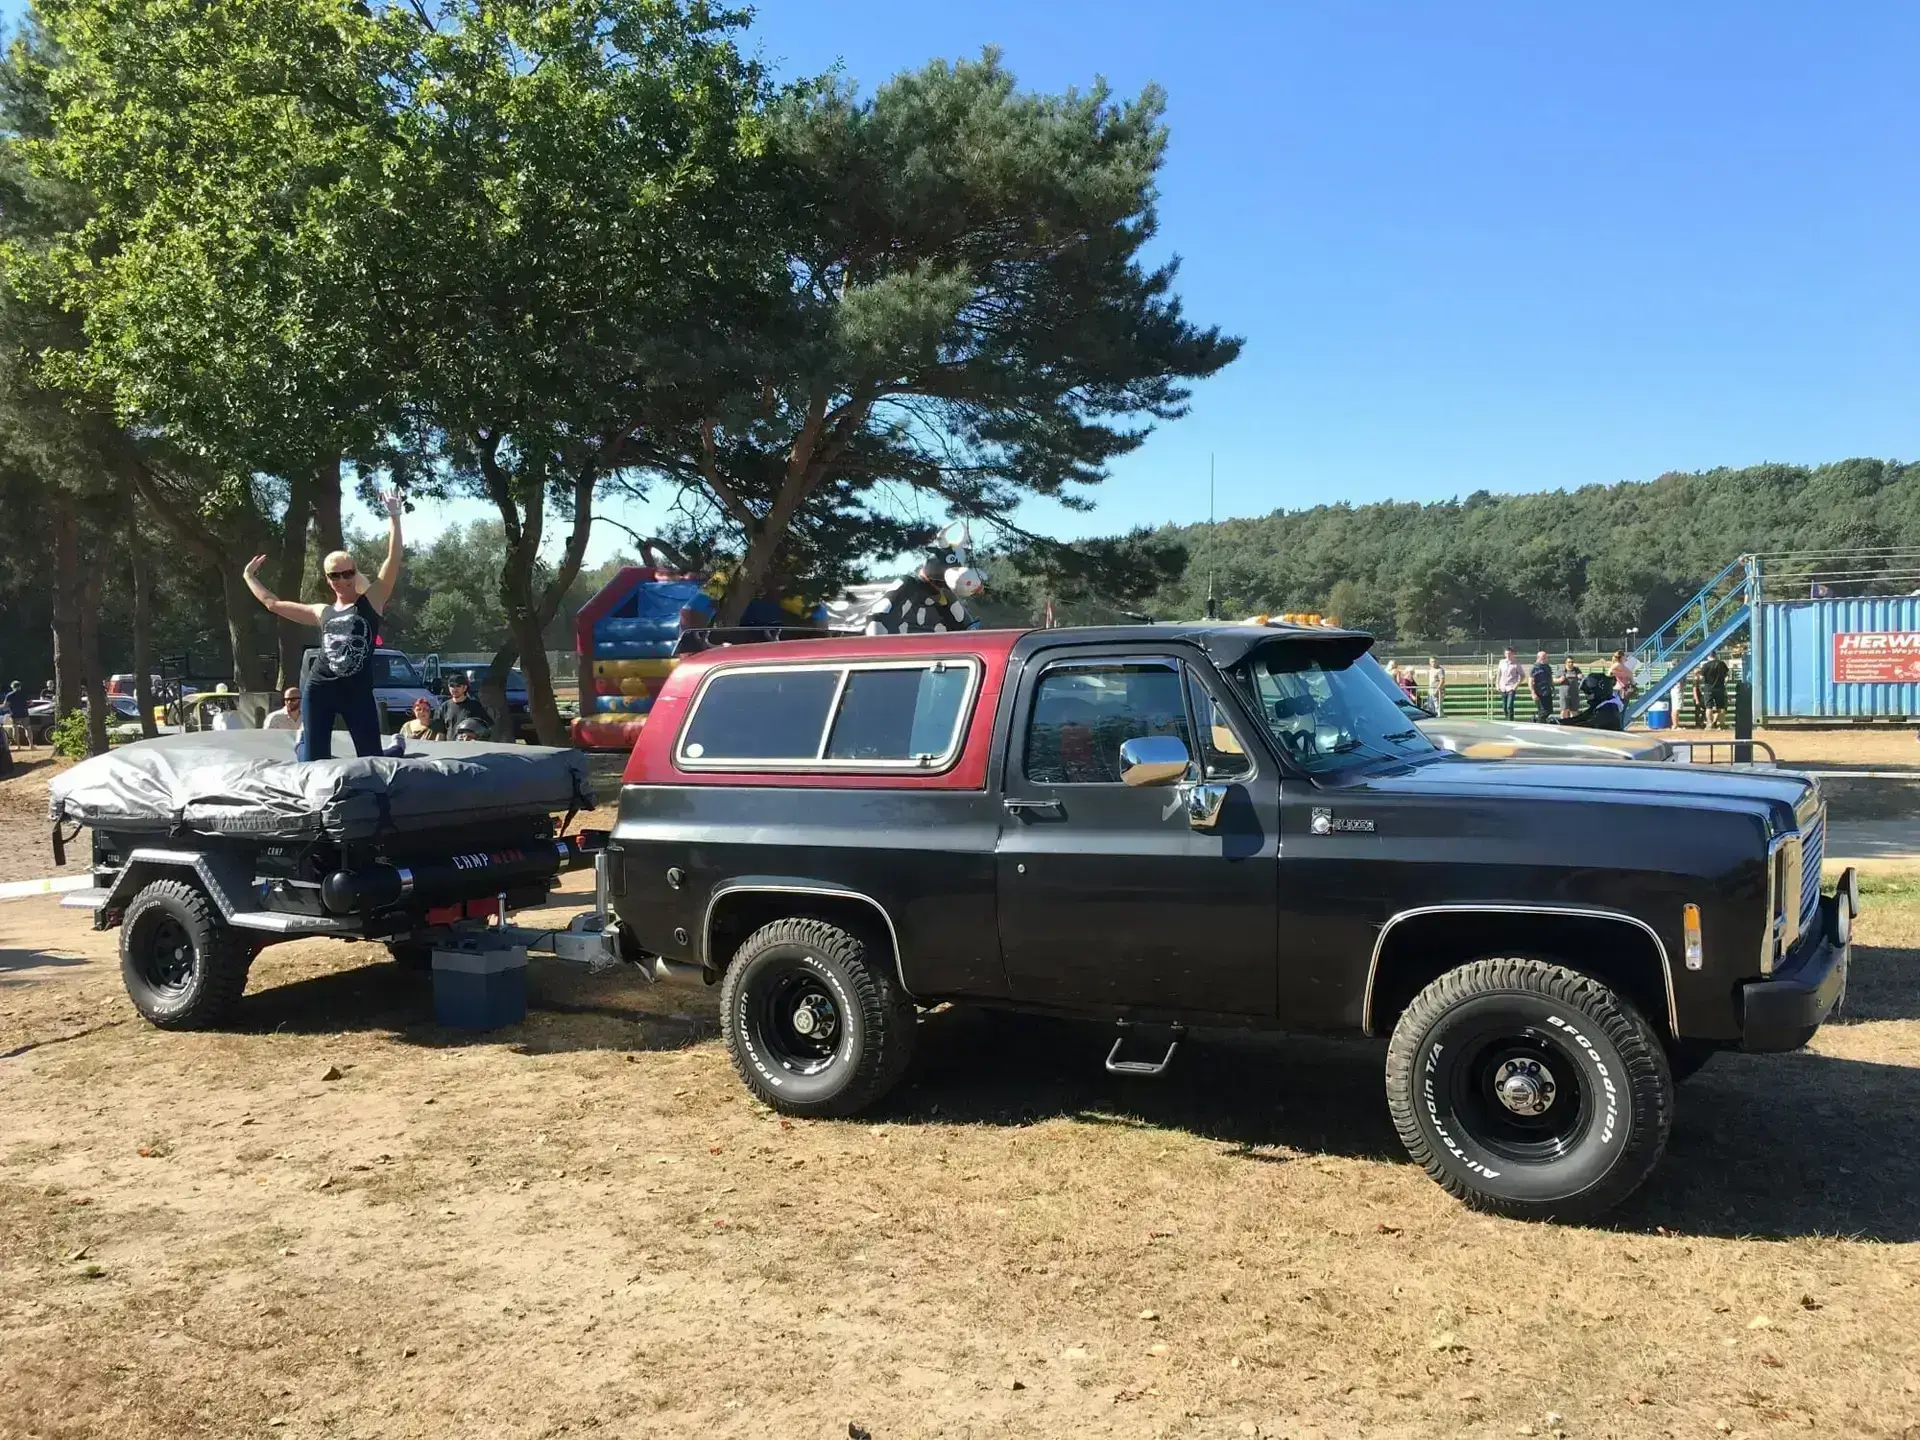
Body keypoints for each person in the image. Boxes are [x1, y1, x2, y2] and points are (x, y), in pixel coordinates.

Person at [242, 492, 403, 761]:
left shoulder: (372, 600)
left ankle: (397, 747)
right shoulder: (321, 611)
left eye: (348, 573)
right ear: (328, 579)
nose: (342, 580)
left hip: (357, 692)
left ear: (355, 572)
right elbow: (273, 604)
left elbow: (393, 558)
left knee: (372, 759)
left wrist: (394, 516)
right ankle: (302, 743)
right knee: (313, 762)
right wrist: (249, 577)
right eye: (335, 576)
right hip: (321, 688)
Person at [431, 672, 493, 740]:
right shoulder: (444, 707)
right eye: (452, 686)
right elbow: (441, 733)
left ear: (464, 688)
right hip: (449, 745)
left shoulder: (475, 706)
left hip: (468, 745)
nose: (455, 689)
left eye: (458, 686)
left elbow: (486, 728)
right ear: (448, 687)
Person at [1697, 651, 1731, 729]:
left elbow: (1701, 678)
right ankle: (1721, 724)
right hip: (1720, 688)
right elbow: (1727, 675)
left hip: (1708, 688)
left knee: (1709, 707)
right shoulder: (1721, 664)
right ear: (1715, 655)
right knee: (1721, 707)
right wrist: (1725, 681)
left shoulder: (1705, 665)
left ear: (1708, 656)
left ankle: (1710, 724)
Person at [1495, 648, 1523, 721]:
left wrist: (1516, 685)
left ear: (1513, 654)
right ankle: (1507, 720)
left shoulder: (1516, 664)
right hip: (1503, 687)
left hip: (1511, 687)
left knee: (1509, 706)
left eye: (1509, 654)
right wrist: (1497, 684)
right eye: (1506, 653)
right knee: (1504, 707)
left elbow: (1523, 676)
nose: (1508, 655)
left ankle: (1511, 721)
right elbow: (1499, 674)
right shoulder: (1501, 662)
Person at [1528, 650, 1554, 723]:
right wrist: (1533, 693)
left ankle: (1540, 722)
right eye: (1544, 657)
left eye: (1546, 657)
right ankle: (1539, 723)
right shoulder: (1534, 668)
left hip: (1547, 692)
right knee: (1543, 711)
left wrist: (1552, 687)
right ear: (1538, 658)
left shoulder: (1547, 666)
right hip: (1539, 693)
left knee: (1549, 711)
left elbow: (1550, 678)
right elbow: (1530, 681)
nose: (1546, 659)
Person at [5, 680, 31, 749]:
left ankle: (18, 746)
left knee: (15, 729)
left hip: (14, 714)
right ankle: (31, 745)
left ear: (12, 687)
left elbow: (5, 705)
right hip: (24, 713)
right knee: (27, 728)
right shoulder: (24, 694)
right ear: (20, 686)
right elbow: (30, 703)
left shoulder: (9, 695)